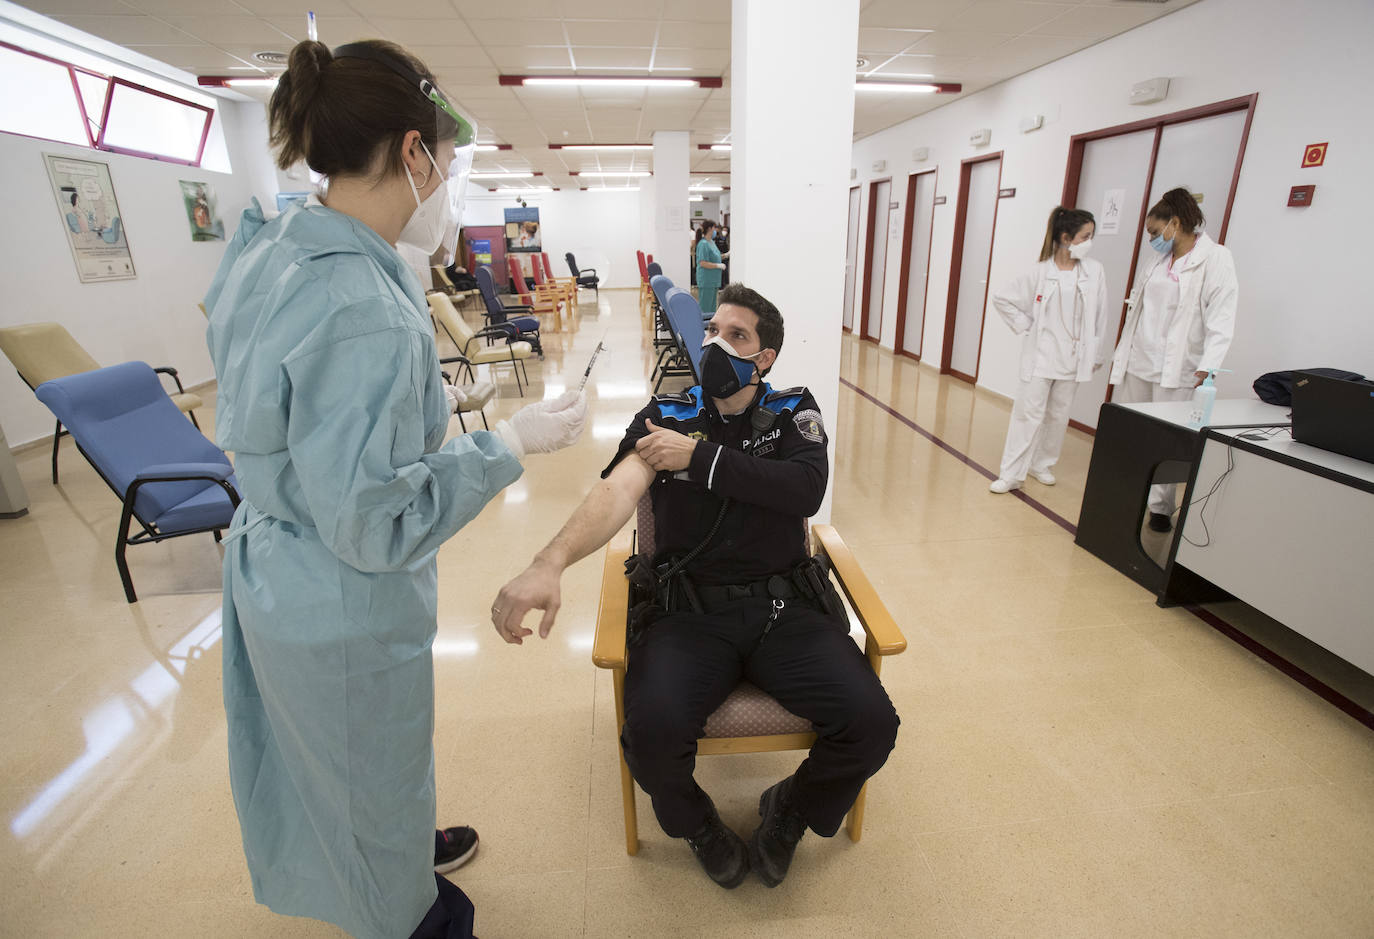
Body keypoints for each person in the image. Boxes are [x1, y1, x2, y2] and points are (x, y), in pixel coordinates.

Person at [204, 39, 587, 939]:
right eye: (448, 164)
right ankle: (413, 913)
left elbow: (291, 405)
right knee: (366, 769)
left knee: (345, 768)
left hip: (278, 567)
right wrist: (504, 444)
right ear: (414, 153)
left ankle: (403, 844)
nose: (448, 186)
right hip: (339, 593)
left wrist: (410, 406)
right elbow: (375, 522)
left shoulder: (278, 245)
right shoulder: (365, 308)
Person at [491, 283, 899, 890]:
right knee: (649, 736)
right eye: (712, 331)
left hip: (783, 612)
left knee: (873, 723)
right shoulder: (666, 412)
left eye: (737, 336)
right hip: (687, 617)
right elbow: (616, 493)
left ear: (765, 358)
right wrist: (549, 561)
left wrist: (699, 459)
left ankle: (790, 808)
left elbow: (804, 490)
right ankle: (699, 825)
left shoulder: (792, 410)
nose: (715, 344)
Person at [1108, 187, 1239, 531]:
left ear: (1176, 223)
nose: (1152, 239)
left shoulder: (1216, 258)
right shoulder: (1158, 261)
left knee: (1167, 440)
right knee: (1135, 434)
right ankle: (1129, 494)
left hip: (1179, 368)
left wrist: (1208, 366)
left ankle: (1160, 508)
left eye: (1155, 232)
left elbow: (1222, 316)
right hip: (1140, 362)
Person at [988, 207, 1110, 493]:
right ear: (1066, 238)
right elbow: (1002, 298)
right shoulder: (1039, 271)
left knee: (1058, 416)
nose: (1089, 242)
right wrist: (1026, 325)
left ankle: (1041, 464)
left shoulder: (1095, 271)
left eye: (1091, 236)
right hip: (1041, 358)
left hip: (1072, 359)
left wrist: (1096, 353)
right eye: (1085, 236)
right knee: (1027, 415)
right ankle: (1011, 473)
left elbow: (1101, 315)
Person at [694, 220, 727, 313]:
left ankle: (710, 325)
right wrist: (718, 265)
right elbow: (702, 263)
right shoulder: (703, 244)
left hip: (714, 280)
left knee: (712, 306)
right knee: (705, 306)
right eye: (714, 228)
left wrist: (726, 255)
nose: (716, 230)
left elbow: (715, 256)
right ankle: (702, 326)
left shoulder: (711, 242)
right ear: (709, 229)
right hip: (706, 280)